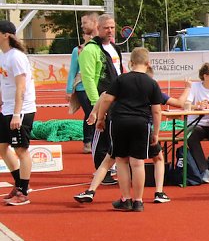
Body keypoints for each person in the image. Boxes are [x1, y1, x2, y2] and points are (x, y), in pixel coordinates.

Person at [74, 74, 190, 205]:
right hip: (143, 131)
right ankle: (157, 193)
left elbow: (104, 96)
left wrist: (96, 114)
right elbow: (178, 104)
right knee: (155, 159)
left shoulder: (123, 86)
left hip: (121, 128)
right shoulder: (151, 88)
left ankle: (92, 191)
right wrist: (188, 88)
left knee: (110, 161)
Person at [92, 48, 162, 212]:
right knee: (138, 163)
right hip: (141, 123)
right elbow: (157, 110)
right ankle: (139, 200)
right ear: (148, 63)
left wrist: (100, 118)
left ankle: (126, 198)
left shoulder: (121, 79)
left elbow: (107, 99)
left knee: (121, 160)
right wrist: (156, 132)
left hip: (120, 122)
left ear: (130, 63)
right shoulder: (152, 83)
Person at [78, 14, 123, 178]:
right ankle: (100, 171)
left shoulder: (114, 48)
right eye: (106, 28)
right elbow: (88, 78)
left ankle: (112, 167)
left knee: (114, 134)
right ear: (98, 28)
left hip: (116, 99)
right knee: (101, 137)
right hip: (100, 99)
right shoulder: (90, 50)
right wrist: (96, 104)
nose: (110, 31)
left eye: (112, 27)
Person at [0, 21, 37, 206]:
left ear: (6, 35)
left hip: (21, 110)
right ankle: (18, 183)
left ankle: (23, 191)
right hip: (6, 108)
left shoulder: (16, 57)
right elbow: (4, 83)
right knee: (2, 148)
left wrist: (16, 114)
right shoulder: (3, 56)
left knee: (21, 150)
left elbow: (21, 87)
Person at [66, 11, 99, 153]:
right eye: (81, 23)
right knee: (91, 112)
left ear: (95, 23)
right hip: (81, 87)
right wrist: (69, 90)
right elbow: (73, 70)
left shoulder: (102, 46)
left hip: (97, 86)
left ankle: (92, 140)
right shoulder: (77, 50)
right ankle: (88, 141)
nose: (82, 26)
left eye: (85, 22)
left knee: (93, 113)